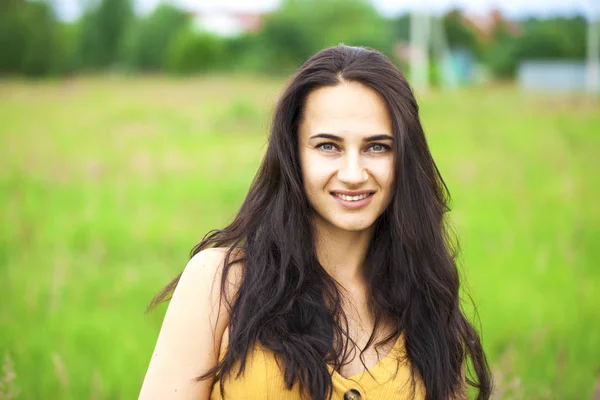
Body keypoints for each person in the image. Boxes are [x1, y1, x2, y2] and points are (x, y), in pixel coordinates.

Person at [139, 44, 492, 400]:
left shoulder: (428, 301)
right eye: (328, 146)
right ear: (294, 155)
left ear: (403, 158)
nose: (354, 174)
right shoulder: (221, 282)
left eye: (377, 147)